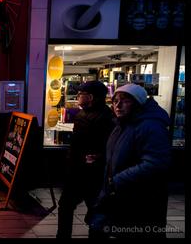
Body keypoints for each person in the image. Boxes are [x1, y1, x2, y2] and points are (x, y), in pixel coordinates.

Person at [89, 83, 171, 238]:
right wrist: (101, 160)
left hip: (141, 201)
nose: (118, 105)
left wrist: (117, 180)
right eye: (115, 101)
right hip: (121, 196)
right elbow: (124, 153)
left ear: (137, 103)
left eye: (125, 100)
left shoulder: (150, 126)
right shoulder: (122, 124)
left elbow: (155, 163)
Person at [56, 80, 114, 239]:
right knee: (66, 206)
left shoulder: (106, 117)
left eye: (81, 94)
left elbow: (110, 146)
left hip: (93, 174)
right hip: (76, 171)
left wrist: (99, 158)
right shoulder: (82, 113)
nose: (78, 97)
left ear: (91, 97)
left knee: (95, 210)